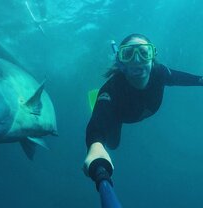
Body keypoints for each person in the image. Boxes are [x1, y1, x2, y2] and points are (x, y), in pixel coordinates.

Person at [83, 33, 203, 189]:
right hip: (118, 116)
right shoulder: (110, 90)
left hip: (139, 111)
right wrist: (95, 147)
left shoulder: (160, 73)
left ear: (153, 57)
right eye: (128, 54)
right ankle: (100, 107)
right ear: (121, 62)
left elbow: (185, 79)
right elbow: (95, 129)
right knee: (113, 144)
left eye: (144, 53)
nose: (137, 59)